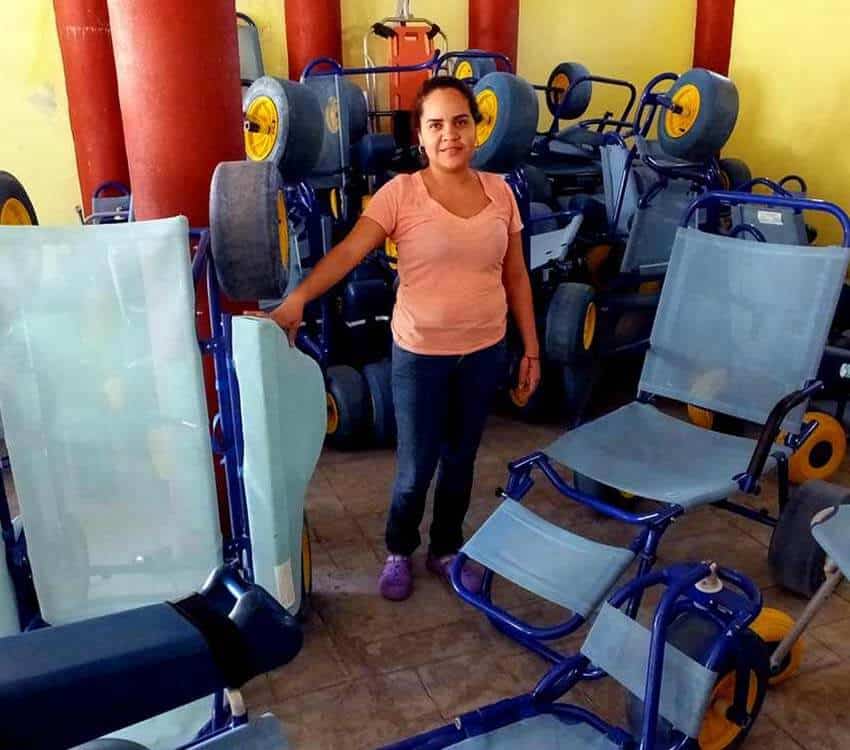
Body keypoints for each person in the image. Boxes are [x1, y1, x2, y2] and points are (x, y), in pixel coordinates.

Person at [267, 76, 540, 601]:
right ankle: (398, 549)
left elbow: (517, 277)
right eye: (436, 125)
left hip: (485, 350)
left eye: (460, 122)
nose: (450, 136)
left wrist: (530, 348)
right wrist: (299, 298)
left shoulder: (501, 192)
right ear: (421, 134)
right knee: (416, 467)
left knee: (461, 459)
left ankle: (445, 548)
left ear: (476, 129)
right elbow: (349, 253)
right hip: (420, 354)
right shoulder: (401, 194)